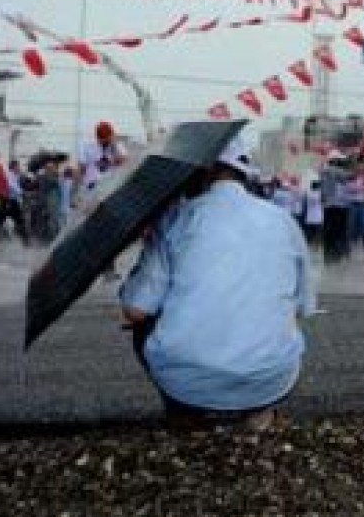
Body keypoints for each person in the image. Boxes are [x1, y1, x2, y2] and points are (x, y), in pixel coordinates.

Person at [119, 133, 315, 429]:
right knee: (282, 316)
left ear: (204, 171)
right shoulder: (282, 220)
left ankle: (185, 414)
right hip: (271, 377)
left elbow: (135, 310)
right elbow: (302, 307)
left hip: (187, 380)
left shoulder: (175, 218)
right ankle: (259, 415)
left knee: (144, 325)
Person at [79, 120, 128, 194]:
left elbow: (122, 161)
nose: (105, 142)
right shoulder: (87, 145)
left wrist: (113, 146)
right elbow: (82, 167)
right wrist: (82, 184)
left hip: (110, 185)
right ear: (97, 137)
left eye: (107, 139)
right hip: (92, 184)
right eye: (102, 140)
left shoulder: (117, 145)